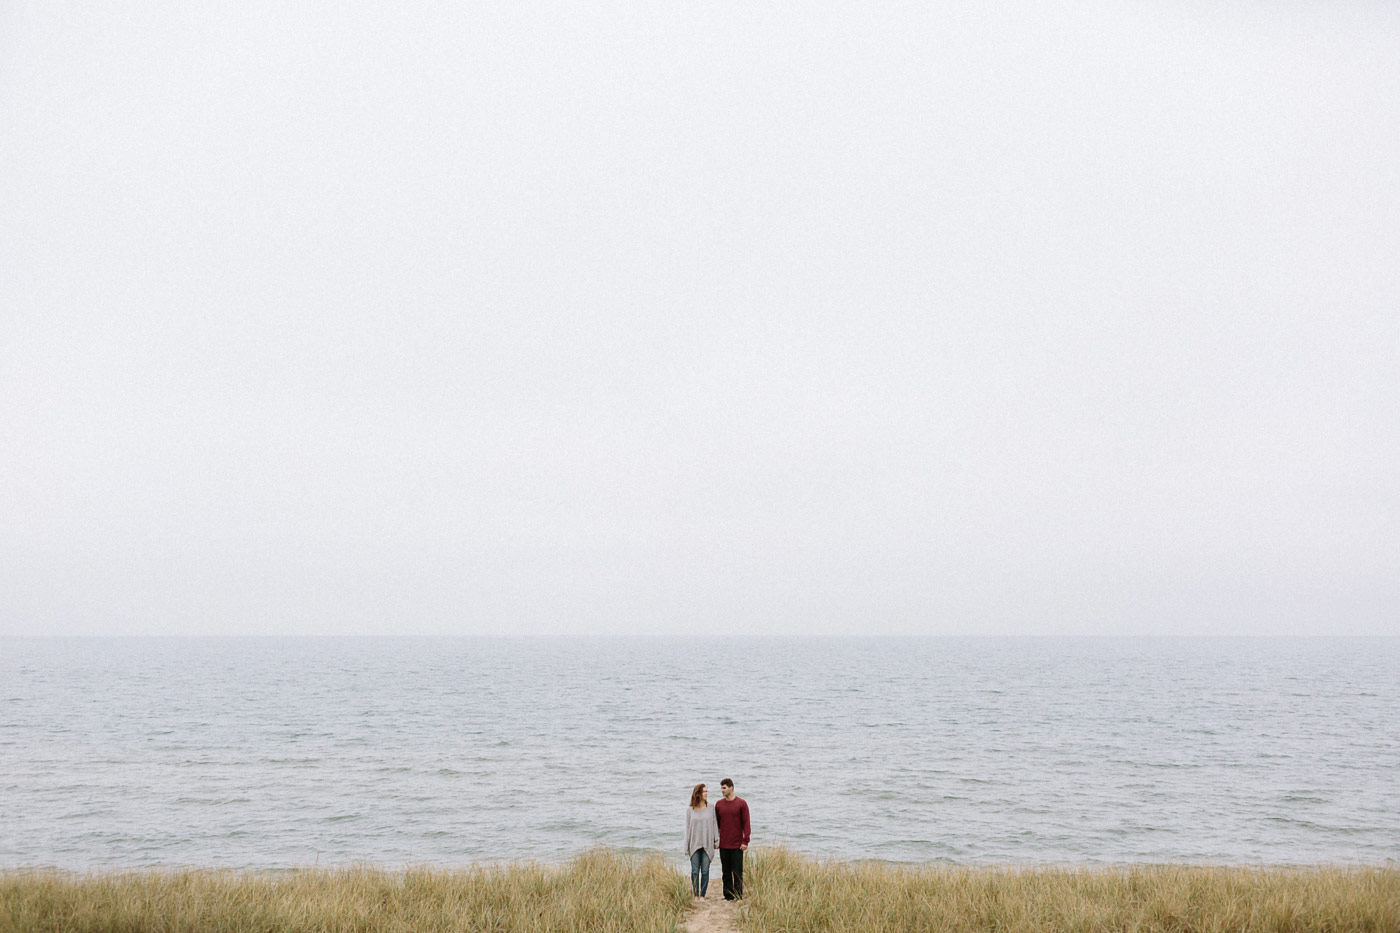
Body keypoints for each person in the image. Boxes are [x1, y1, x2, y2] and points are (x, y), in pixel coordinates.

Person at [713, 777, 750, 900]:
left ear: (731, 788)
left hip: (737, 844)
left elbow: (746, 823)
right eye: (721, 788)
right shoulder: (719, 804)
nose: (722, 790)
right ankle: (728, 895)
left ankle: (738, 895)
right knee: (726, 872)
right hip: (723, 844)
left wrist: (746, 841)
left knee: (737, 872)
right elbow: (716, 824)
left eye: (724, 788)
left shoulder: (741, 803)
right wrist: (716, 840)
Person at [683, 782, 719, 898]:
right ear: (698, 793)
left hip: (707, 843)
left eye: (707, 791)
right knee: (694, 871)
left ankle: (702, 895)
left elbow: (714, 824)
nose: (706, 793)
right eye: (704, 791)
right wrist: (686, 846)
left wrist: (716, 839)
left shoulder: (711, 807)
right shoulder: (690, 809)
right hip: (694, 844)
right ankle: (695, 895)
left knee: (705, 871)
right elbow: (687, 828)